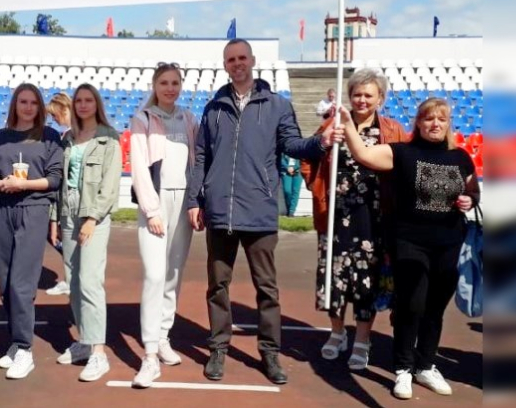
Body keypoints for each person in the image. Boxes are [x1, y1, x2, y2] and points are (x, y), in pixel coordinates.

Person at [185, 39, 343, 385]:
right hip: (220, 211)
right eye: (231, 59)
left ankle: (270, 352)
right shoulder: (214, 108)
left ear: (253, 61)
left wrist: (321, 142)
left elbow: (293, 145)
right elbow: (201, 157)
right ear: (225, 65)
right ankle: (218, 348)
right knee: (217, 286)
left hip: (258, 210)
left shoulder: (277, 105)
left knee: (267, 288)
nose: (237, 63)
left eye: (242, 57)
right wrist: (194, 200)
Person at [337, 97, 479, 400]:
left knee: (435, 308)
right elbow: (362, 154)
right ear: (419, 122)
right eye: (429, 118)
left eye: (441, 119)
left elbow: (472, 189)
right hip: (409, 241)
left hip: (449, 242)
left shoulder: (460, 157)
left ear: (448, 124)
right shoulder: (401, 153)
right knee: (411, 304)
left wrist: (470, 199)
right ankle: (403, 368)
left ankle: (425, 365)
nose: (435, 124)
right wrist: (347, 124)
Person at [300, 68, 408, 371]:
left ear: (380, 98)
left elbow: (405, 165)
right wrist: (318, 184)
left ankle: (362, 339)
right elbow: (308, 158)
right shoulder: (332, 124)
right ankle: (337, 332)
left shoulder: (392, 130)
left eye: (368, 95)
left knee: (366, 278)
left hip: (374, 216)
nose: (362, 100)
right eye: (357, 94)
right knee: (333, 276)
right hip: (335, 215)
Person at [129, 62, 199, 388]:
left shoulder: (188, 119)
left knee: (173, 274)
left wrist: (195, 202)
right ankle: (149, 355)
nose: (170, 88)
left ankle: (163, 336)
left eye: (175, 83)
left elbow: (196, 162)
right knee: (155, 275)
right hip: (155, 205)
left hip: (183, 203)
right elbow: (139, 168)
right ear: (155, 86)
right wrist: (152, 210)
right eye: (164, 83)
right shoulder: (142, 119)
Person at [0, 83, 63, 380]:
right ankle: (16, 342)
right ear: (15, 105)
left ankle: (24, 348)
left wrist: (24, 184)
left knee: (22, 283)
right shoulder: (0, 137)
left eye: (33, 102)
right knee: (5, 282)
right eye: (23, 102)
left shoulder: (49, 136)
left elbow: (54, 179)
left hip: (33, 209)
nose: (28, 107)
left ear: (39, 106)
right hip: (1, 210)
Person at [51, 84, 121, 382]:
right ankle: (83, 340)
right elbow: (61, 183)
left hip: (94, 218)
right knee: (75, 283)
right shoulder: (68, 139)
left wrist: (93, 218)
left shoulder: (108, 138)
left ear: (96, 104)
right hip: (68, 216)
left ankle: (99, 353)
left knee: (91, 282)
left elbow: (110, 184)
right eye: (78, 100)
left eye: (88, 100)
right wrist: (55, 218)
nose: (82, 105)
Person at [45, 92, 73, 296]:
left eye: (55, 115)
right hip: (62, 198)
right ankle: (71, 276)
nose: (54, 119)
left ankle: (73, 277)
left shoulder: (77, 135)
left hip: (75, 199)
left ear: (64, 110)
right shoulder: (66, 136)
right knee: (57, 236)